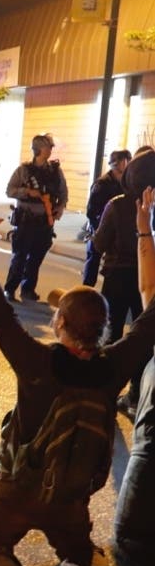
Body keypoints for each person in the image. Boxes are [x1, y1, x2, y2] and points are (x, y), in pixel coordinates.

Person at [0, 188, 155, 566]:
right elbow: (152, 313)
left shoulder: (36, 362)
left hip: (16, 491)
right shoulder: (115, 365)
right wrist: (145, 231)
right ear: (103, 328)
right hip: (69, 498)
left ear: (60, 324)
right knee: (76, 551)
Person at [93, 149, 155, 418]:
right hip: (146, 275)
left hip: (118, 276)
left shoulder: (117, 204)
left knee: (112, 333)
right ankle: (134, 393)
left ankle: (104, 389)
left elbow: (99, 243)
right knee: (142, 335)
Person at [3, 133, 68, 302]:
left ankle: (28, 289)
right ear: (38, 149)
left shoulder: (55, 171)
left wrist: (60, 208)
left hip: (45, 221)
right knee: (20, 257)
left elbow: (63, 192)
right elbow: (10, 190)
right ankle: (10, 289)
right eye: (48, 147)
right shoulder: (23, 171)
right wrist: (27, 192)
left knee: (36, 258)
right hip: (26, 220)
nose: (50, 150)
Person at [82, 149, 131, 286]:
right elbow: (92, 211)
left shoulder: (128, 184)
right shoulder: (102, 184)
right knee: (93, 258)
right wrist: (100, 229)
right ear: (115, 165)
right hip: (100, 227)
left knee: (115, 264)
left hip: (119, 231)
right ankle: (86, 292)